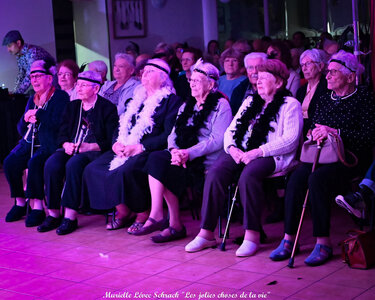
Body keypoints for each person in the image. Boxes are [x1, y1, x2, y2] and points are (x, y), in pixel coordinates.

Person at [185, 59, 303, 257]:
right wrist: (232, 149)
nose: (258, 80)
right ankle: (206, 234)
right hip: (242, 151)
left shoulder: (290, 104)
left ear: (280, 83)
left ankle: (252, 236)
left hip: (273, 155)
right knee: (216, 171)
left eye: (265, 77)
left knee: (248, 175)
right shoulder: (249, 101)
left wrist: (257, 152)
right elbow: (231, 131)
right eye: (257, 76)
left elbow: (290, 140)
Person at [270, 50, 375, 266]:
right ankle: (289, 238)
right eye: (327, 72)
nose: (327, 76)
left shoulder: (364, 97)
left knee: (316, 180)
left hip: (350, 157)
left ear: (351, 76)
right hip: (323, 154)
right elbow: (315, 124)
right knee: (296, 178)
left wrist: (335, 131)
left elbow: (368, 136)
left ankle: (323, 241)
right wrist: (314, 133)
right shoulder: (326, 98)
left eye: (333, 72)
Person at [136, 59, 232, 240]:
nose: (192, 84)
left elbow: (217, 140)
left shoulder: (221, 105)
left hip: (206, 159)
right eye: (191, 80)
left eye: (197, 81)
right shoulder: (187, 105)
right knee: (157, 159)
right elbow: (173, 133)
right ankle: (162, 217)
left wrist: (189, 153)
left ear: (210, 84)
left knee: (164, 167)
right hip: (182, 155)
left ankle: (174, 225)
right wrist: (174, 150)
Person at [82, 59, 183, 230]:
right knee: (93, 169)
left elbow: (168, 135)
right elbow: (120, 125)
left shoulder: (171, 101)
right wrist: (116, 143)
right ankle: (123, 210)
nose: (144, 74)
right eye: (144, 71)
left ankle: (142, 212)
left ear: (163, 77)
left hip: (149, 150)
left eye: (151, 71)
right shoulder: (136, 99)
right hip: (125, 146)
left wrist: (140, 147)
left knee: (125, 171)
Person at [38, 71, 118, 234]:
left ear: (96, 89)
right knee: (52, 164)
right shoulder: (72, 106)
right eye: (78, 84)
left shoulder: (107, 108)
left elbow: (110, 140)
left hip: (94, 151)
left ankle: (70, 217)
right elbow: (62, 131)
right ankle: (54, 213)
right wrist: (65, 143)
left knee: (74, 165)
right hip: (71, 147)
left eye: (83, 85)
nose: (79, 88)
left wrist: (89, 146)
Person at [3, 59, 69, 226]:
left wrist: (39, 114)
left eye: (39, 75)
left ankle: (38, 206)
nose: (34, 80)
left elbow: (58, 123)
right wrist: (25, 119)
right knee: (10, 162)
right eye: (32, 76)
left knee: (34, 162)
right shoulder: (33, 98)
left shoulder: (60, 96)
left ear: (49, 77)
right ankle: (20, 202)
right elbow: (20, 129)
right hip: (30, 142)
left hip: (50, 143)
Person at [2, 30, 55, 94]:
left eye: (9, 46)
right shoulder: (19, 55)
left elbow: (29, 76)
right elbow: (21, 74)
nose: (8, 50)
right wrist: (14, 92)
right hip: (45, 86)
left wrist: (17, 93)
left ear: (18, 43)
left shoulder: (32, 52)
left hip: (53, 85)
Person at [296, 49, 328, 137]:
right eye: (302, 65)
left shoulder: (327, 86)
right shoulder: (301, 90)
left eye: (308, 63)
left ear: (320, 66)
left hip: (317, 132)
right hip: (300, 132)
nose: (304, 68)